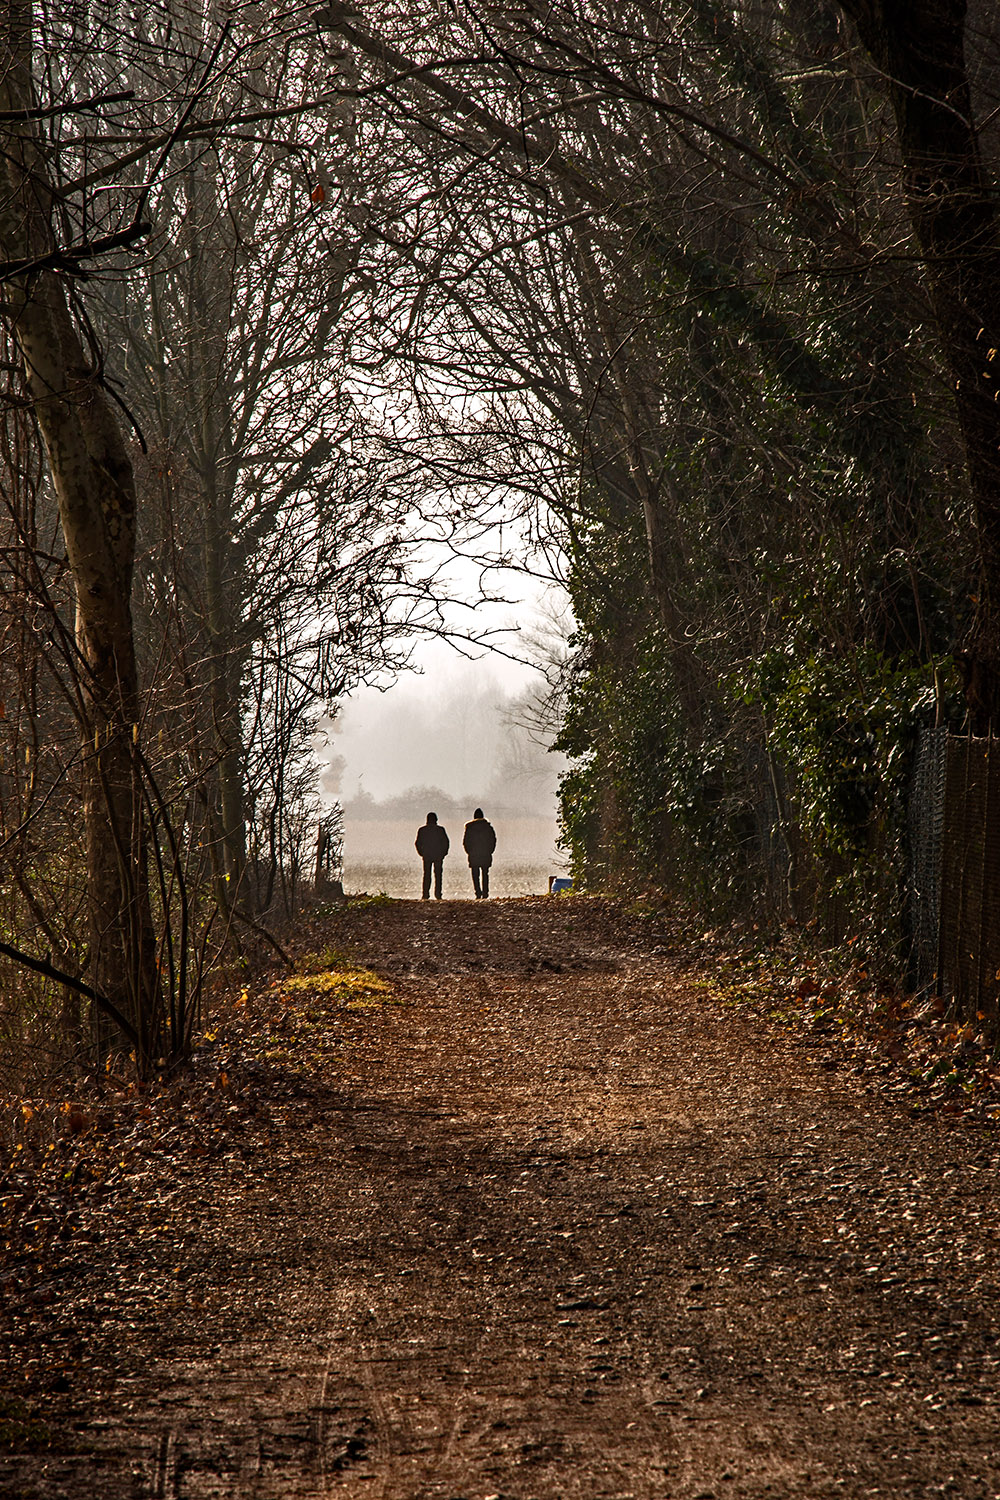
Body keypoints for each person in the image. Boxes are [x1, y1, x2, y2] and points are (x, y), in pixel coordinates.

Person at [462, 807, 497, 899]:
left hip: (473, 854)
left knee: (475, 874)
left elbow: (466, 842)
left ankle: (478, 892)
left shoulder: (469, 828)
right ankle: (485, 893)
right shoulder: (488, 827)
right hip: (485, 854)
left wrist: (469, 852)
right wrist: (490, 851)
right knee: (485, 874)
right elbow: (493, 840)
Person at [415, 812, 449, 900]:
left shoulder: (422, 830)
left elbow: (418, 843)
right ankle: (438, 894)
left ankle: (425, 894)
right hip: (438, 855)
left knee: (427, 875)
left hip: (427, 855)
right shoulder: (440, 830)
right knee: (438, 875)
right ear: (436, 820)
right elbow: (446, 842)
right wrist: (443, 853)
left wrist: (421, 853)